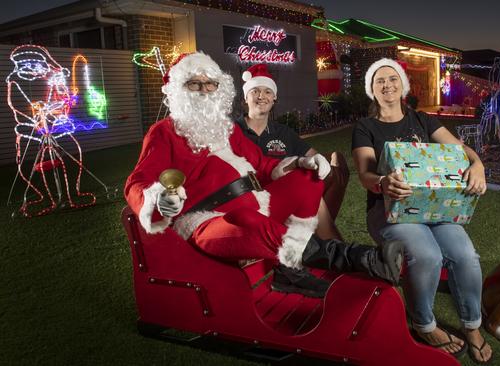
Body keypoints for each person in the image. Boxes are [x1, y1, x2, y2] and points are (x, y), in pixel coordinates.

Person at [124, 52, 404, 299]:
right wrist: (157, 200)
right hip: (207, 219)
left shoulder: (228, 129)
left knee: (307, 180)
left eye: (209, 84)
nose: (204, 90)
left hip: (256, 201)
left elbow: (263, 164)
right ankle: (358, 258)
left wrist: (300, 163)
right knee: (249, 220)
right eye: (194, 84)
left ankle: (288, 272)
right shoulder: (164, 131)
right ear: (178, 91)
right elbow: (136, 183)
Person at [351, 58, 492, 364]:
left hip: (436, 207)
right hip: (388, 210)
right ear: (371, 90)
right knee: (428, 255)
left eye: (392, 79)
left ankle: (472, 325)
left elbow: (458, 150)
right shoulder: (366, 127)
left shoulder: (423, 120)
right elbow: (365, 174)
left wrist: (477, 164)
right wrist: (383, 182)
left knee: (466, 255)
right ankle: (423, 324)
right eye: (379, 81)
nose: (387, 85)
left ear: (402, 83)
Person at [235, 63, 349, 241]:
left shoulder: (283, 133)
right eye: (255, 91)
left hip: (286, 198)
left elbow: (315, 156)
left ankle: (321, 241)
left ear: (274, 98)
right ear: (245, 98)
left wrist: (327, 163)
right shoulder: (232, 131)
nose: (261, 96)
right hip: (249, 201)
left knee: (328, 174)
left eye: (267, 92)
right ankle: (332, 246)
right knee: (306, 186)